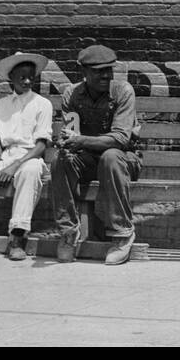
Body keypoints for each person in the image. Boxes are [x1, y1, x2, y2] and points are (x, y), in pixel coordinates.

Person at [51, 45, 143, 266]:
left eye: (109, 70)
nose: (105, 75)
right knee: (60, 161)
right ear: (83, 71)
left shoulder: (123, 91)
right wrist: (66, 143)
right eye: (98, 71)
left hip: (123, 160)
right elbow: (72, 133)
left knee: (110, 156)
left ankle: (122, 235)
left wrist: (80, 141)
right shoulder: (72, 94)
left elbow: (120, 139)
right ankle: (68, 232)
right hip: (90, 159)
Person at [0, 51, 55, 262]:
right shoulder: (1, 105)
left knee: (31, 170)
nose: (27, 81)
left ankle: (18, 236)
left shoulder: (42, 104)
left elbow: (41, 145)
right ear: (11, 78)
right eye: (22, 77)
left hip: (29, 157)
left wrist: (14, 165)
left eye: (31, 77)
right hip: (5, 157)